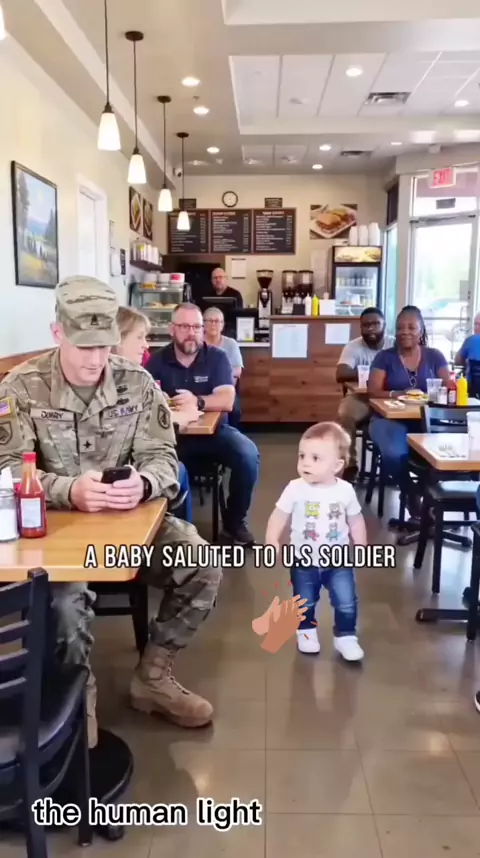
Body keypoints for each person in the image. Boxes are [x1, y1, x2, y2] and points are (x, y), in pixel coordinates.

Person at [0, 277, 222, 749]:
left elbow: (163, 456)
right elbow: (6, 468)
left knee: (202, 563)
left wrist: (145, 483)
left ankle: (153, 677)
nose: (96, 359)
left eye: (104, 345)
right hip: (51, 533)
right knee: (64, 601)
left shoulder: (136, 382)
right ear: (57, 332)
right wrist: (68, 490)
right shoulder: (21, 386)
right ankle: (76, 700)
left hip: (127, 525)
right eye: (84, 346)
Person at [146, 303, 259, 546]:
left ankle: (234, 523)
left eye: (196, 327)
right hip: (172, 437)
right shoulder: (156, 361)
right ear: (171, 329)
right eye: (184, 326)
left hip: (214, 435)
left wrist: (196, 401)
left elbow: (227, 400)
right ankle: (169, 532)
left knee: (248, 454)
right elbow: (146, 403)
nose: (192, 333)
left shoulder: (217, 357)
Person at [265, 422, 366, 661]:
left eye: (315, 458)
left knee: (346, 601)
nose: (305, 463)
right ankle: (306, 632)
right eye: (302, 456)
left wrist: (361, 546)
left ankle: (346, 636)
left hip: (338, 560)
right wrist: (271, 539)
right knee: (305, 601)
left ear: (337, 466)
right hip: (303, 560)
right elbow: (279, 515)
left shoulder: (345, 491)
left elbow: (356, 520)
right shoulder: (295, 488)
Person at [114, 305, 199, 522]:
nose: (146, 345)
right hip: (123, 469)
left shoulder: (138, 377)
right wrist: (187, 415)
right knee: (178, 471)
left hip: (136, 463)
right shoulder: (129, 376)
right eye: (139, 337)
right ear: (117, 340)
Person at [368, 305, 450, 516]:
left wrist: (450, 386)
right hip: (387, 419)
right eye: (400, 327)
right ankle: (410, 493)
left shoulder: (434, 356)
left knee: (443, 454)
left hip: (426, 421)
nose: (405, 332)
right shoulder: (385, 357)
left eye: (411, 327)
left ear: (421, 331)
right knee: (395, 453)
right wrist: (398, 393)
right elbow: (373, 391)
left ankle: (426, 496)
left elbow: (448, 385)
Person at [336, 308, 391, 482]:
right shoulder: (353, 346)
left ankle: (395, 464)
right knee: (345, 414)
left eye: (375, 324)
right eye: (366, 325)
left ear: (384, 325)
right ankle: (350, 464)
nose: (371, 329)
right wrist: (373, 375)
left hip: (389, 397)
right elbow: (341, 374)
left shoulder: (394, 345)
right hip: (361, 398)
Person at [204, 305, 243, 427]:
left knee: (234, 410)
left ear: (222, 325)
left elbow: (237, 371)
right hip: (200, 387)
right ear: (203, 324)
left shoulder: (231, 344)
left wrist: (224, 386)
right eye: (210, 321)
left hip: (225, 387)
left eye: (218, 321)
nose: (214, 324)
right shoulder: (197, 343)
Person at [454, 311, 480, 390]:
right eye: (475, 324)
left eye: (478, 324)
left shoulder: (470, 340)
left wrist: (467, 363)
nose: (476, 327)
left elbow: (457, 361)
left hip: (472, 389)